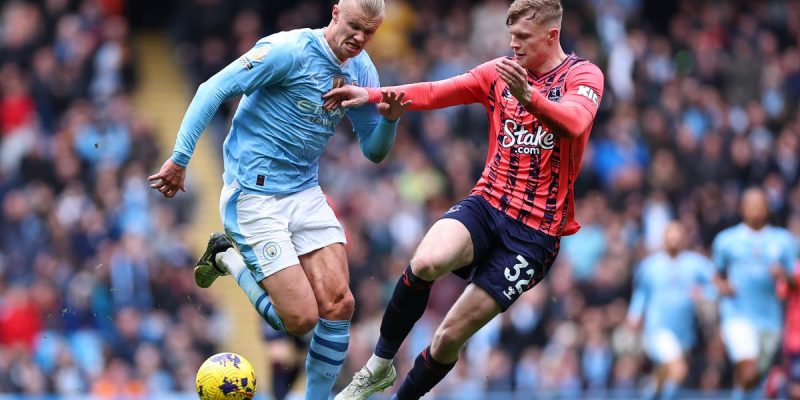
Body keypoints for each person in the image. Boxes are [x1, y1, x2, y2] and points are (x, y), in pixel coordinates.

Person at [324, 0, 604, 398]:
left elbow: (575, 123)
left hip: (533, 235)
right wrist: (370, 94)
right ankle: (378, 366)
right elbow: (437, 91)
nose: (514, 45)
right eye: (511, 36)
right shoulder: (499, 73)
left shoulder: (583, 75)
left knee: (447, 337)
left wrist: (531, 99)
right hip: (488, 203)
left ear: (551, 35)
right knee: (425, 261)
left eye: (523, 37)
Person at [148, 1, 411, 398]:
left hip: (304, 191)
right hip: (254, 195)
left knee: (340, 305)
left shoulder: (361, 69)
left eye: (369, 32)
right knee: (301, 320)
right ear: (336, 12)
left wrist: (389, 119)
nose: (359, 38)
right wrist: (180, 159)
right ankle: (226, 256)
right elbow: (213, 88)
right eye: (355, 26)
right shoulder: (289, 51)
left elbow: (373, 151)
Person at [711, 188, 798, 400]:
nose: (755, 209)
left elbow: (796, 280)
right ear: (742, 208)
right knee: (748, 369)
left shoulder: (784, 241)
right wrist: (723, 287)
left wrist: (783, 275)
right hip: (738, 314)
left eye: (760, 204)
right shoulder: (726, 240)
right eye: (751, 204)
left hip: (770, 318)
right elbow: (715, 275)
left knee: (756, 375)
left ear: (767, 207)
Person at [626, 221, 715, 400]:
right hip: (657, 328)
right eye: (670, 234)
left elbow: (716, 285)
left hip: (684, 331)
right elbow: (641, 293)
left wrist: (704, 293)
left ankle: (648, 394)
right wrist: (634, 314)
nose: (673, 239)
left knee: (665, 373)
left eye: (677, 234)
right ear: (664, 237)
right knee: (679, 370)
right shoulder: (650, 266)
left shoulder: (696, 264)